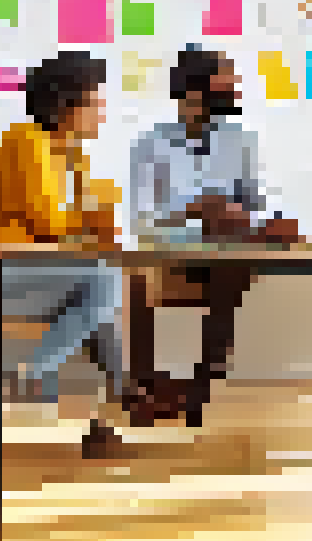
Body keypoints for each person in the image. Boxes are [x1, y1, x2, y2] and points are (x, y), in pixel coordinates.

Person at [0, 50, 131, 457]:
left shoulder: (71, 156)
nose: (102, 112)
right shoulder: (27, 142)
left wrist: (94, 217)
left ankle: (117, 408)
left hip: (35, 270)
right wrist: (95, 220)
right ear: (66, 106)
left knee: (106, 298)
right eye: (95, 102)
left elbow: (82, 229)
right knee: (104, 280)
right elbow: (54, 225)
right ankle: (39, 372)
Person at [126, 48, 301, 427]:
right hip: (171, 254)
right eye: (225, 79)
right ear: (195, 90)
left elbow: (256, 203)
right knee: (228, 255)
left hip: (226, 251)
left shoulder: (240, 140)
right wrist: (196, 212)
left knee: (237, 250)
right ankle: (192, 384)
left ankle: (198, 384)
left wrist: (250, 219)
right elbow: (140, 223)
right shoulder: (151, 145)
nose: (235, 88)